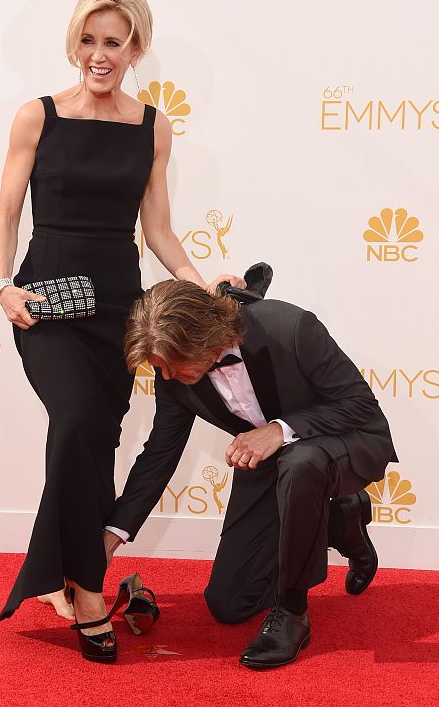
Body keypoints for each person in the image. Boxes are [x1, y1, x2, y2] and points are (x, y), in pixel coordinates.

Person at [0, 0, 244, 662]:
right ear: (74, 44)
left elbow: (157, 230)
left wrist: (200, 283)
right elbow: (6, 214)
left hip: (117, 309)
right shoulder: (37, 117)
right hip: (47, 300)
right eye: (89, 40)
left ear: (136, 49)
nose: (99, 54)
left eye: (114, 42)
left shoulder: (153, 126)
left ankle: (67, 578)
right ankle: (88, 592)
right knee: (77, 421)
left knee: (97, 439)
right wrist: (3, 287)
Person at [104, 278, 397, 669]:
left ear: (205, 338)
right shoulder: (174, 376)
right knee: (228, 604)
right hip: (271, 460)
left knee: (301, 461)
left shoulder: (290, 327)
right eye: (160, 368)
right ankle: (339, 521)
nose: (167, 376)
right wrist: (112, 536)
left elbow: (360, 405)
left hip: (343, 438)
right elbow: (159, 454)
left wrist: (279, 430)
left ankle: (292, 613)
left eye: (172, 365)